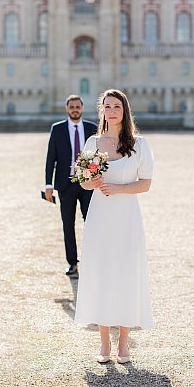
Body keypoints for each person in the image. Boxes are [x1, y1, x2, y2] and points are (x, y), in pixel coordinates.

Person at [75, 89, 154, 364]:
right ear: (102, 111)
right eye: (107, 106)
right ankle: (104, 344)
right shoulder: (92, 142)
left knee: (125, 274)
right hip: (100, 217)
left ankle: (124, 344)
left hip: (127, 217)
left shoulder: (139, 144)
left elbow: (145, 183)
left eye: (116, 106)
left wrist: (119, 188)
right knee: (101, 274)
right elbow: (83, 181)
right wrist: (91, 182)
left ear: (124, 110)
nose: (111, 111)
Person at [45, 95, 97, 277]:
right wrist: (48, 185)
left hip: (87, 185)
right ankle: (72, 263)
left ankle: (92, 261)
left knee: (91, 224)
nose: (75, 109)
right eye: (71, 106)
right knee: (68, 225)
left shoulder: (92, 128)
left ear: (82, 108)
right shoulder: (57, 129)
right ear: (67, 109)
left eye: (77, 106)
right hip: (65, 185)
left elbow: (100, 156)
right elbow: (51, 158)